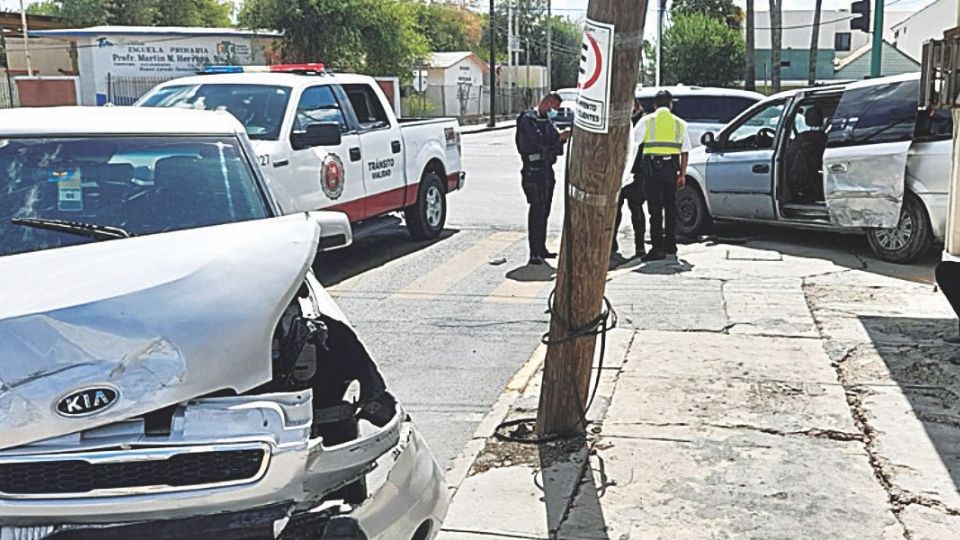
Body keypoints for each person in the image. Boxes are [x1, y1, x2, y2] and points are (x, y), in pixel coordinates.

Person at [631, 90, 693, 262]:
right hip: (671, 171)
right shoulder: (679, 124)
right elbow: (685, 151)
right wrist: (682, 173)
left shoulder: (647, 121)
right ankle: (671, 245)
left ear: (655, 105)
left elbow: (633, 142)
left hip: (652, 172)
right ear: (671, 104)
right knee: (671, 208)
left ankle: (657, 248)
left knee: (655, 210)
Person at [515, 92, 571, 265]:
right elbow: (536, 142)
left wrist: (559, 140)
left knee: (545, 210)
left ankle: (541, 248)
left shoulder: (547, 121)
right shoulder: (528, 119)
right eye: (554, 107)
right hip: (533, 170)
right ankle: (534, 253)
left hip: (546, 170)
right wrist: (557, 139)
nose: (555, 112)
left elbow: (552, 146)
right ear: (546, 103)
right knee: (537, 211)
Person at [611, 98, 648, 266]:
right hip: (618, 174)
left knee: (636, 210)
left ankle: (639, 246)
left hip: (636, 175)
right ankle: (611, 244)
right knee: (615, 212)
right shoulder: (619, 121)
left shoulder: (643, 121)